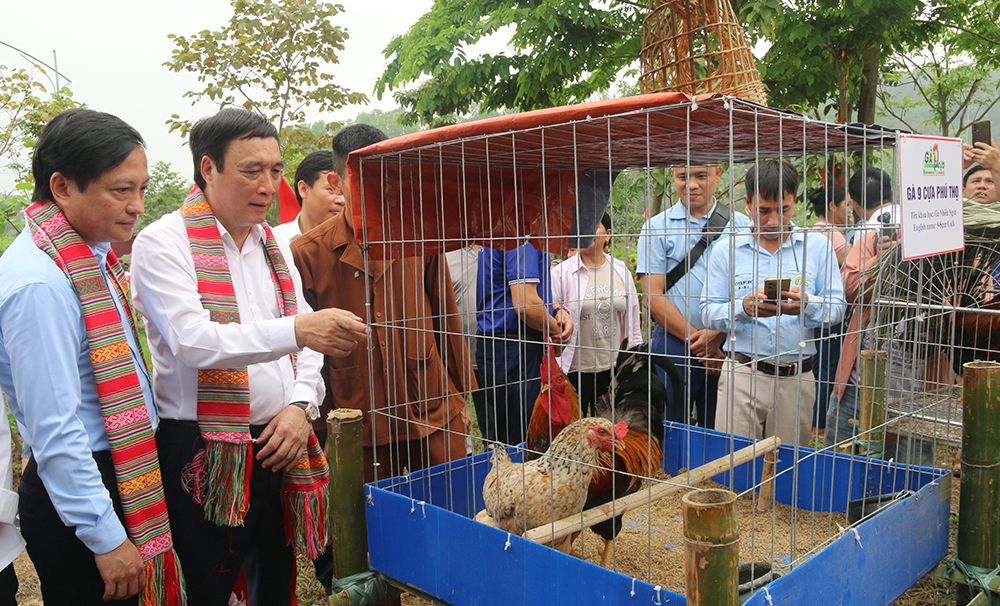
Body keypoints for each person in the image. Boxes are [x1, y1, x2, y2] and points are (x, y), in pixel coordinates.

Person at [131, 107, 368, 605]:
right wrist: (298, 330)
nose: (267, 185)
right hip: (205, 452)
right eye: (251, 170)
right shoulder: (163, 243)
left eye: (276, 170)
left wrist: (301, 407)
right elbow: (194, 342)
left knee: (274, 582)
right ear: (208, 169)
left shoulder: (270, 245)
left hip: (279, 440)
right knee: (209, 584)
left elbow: (307, 349)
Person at [0, 108, 183, 605]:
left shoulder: (89, 257)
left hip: (121, 468)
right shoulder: (40, 283)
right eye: (121, 190)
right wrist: (105, 537)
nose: (137, 206)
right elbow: (56, 428)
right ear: (62, 187)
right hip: (83, 490)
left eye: (142, 189)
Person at [292, 124, 475, 482]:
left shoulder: (419, 236)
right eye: (364, 178)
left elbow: (445, 314)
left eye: (386, 175)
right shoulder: (308, 253)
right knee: (367, 523)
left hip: (427, 401)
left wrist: (460, 394)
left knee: (448, 506)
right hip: (357, 410)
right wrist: (321, 426)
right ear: (336, 180)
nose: (379, 189)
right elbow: (306, 351)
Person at [701, 159, 845, 447]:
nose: (773, 221)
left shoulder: (817, 247)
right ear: (748, 203)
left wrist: (807, 305)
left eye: (784, 210)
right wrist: (743, 308)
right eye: (763, 211)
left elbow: (837, 308)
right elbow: (707, 312)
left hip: (796, 378)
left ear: (795, 203)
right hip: (742, 375)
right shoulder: (726, 249)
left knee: (788, 471)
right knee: (732, 469)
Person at [636, 164, 751, 429]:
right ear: (673, 176)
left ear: (717, 173)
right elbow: (653, 297)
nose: (692, 184)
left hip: (728, 341)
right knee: (669, 426)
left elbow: (747, 290)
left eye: (701, 175)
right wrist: (700, 343)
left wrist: (717, 336)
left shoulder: (742, 226)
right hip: (674, 344)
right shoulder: (656, 228)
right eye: (683, 177)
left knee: (723, 426)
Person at [476, 239, 574, 446]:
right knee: (520, 442)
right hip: (514, 348)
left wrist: (556, 310)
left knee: (501, 440)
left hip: (502, 346)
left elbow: (525, 293)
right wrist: (558, 334)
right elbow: (526, 304)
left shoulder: (502, 228)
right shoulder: (521, 233)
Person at [550, 212, 642, 416]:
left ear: (608, 235)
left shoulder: (621, 271)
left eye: (594, 224)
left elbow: (633, 320)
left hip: (613, 369)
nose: (586, 229)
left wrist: (633, 363)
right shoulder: (560, 274)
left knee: (609, 433)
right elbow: (550, 314)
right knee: (577, 434)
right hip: (573, 369)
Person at [808, 183, 852, 440]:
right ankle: (819, 423)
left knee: (819, 364)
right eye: (845, 205)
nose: (849, 211)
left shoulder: (814, 231)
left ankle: (816, 421)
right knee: (828, 366)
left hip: (814, 309)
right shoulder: (832, 234)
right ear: (831, 207)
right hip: (830, 311)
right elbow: (852, 263)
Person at [273, 150, 346, 242]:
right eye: (331, 189)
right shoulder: (275, 241)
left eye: (345, 192)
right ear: (304, 189)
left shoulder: (358, 243)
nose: (342, 200)